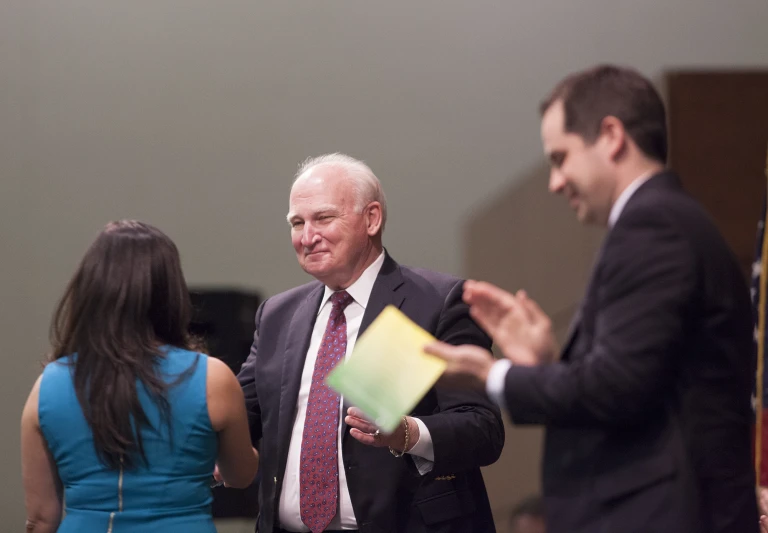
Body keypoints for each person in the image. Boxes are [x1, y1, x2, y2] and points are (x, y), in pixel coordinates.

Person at [425, 65, 758, 533]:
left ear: (611, 136)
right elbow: (640, 384)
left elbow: (617, 388)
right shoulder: (664, 222)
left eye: (560, 158)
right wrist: (545, 366)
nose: (555, 182)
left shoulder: (653, 226)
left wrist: (493, 374)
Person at [230, 153, 504, 533]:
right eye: (297, 223)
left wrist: (407, 433)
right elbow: (237, 414)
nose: (308, 237)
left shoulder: (436, 303)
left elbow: (482, 431)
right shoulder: (277, 315)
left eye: (323, 218)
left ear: (371, 219)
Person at [21, 220, 259, 533]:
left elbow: (41, 519)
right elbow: (240, 475)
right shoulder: (213, 378)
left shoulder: (47, 386)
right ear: (170, 292)